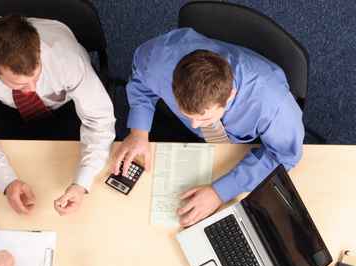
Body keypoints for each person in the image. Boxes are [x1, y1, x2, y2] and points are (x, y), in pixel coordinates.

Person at [115, 29, 305, 227]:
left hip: (245, 141)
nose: (195, 125)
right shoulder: (158, 60)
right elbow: (140, 81)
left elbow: (285, 155)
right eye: (188, 115)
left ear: (230, 95)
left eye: (205, 117)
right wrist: (138, 131)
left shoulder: (272, 103)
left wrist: (220, 192)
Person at [0, 15, 116, 216]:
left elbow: (99, 120)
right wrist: (7, 181)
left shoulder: (67, 58)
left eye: (36, 77)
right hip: (4, 106)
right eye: (20, 84)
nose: (32, 89)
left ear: (39, 51)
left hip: (64, 106)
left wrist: (82, 182)